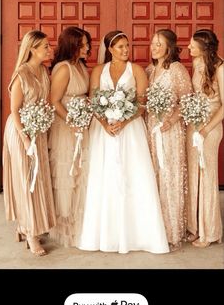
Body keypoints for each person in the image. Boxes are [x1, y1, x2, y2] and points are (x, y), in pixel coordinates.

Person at [78, 30, 169, 254]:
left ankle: (140, 236)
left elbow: (141, 103)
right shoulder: (99, 70)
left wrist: (124, 121)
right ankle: (105, 235)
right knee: (105, 177)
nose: (125, 50)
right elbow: (93, 100)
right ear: (109, 49)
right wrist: (105, 123)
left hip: (130, 131)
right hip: (104, 131)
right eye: (120, 47)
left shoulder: (136, 70)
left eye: (127, 46)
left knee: (134, 175)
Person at [3, 30, 56, 256]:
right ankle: (31, 235)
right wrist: (25, 139)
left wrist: (43, 126)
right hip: (20, 131)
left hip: (38, 130)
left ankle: (24, 226)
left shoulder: (43, 71)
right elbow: (15, 110)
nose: (48, 49)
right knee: (26, 180)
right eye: (44, 46)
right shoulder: (21, 74)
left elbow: (44, 102)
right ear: (32, 49)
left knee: (37, 180)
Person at [146, 29, 192, 251]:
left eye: (159, 44)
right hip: (151, 129)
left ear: (169, 48)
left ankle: (172, 233)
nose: (154, 47)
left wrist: (171, 121)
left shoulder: (177, 69)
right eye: (153, 43)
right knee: (153, 176)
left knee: (169, 177)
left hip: (170, 132)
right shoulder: (149, 70)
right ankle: (155, 228)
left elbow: (186, 101)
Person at [48, 26, 91, 247]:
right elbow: (54, 101)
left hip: (81, 125)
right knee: (68, 173)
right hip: (66, 127)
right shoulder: (64, 69)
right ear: (71, 45)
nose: (87, 48)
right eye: (82, 44)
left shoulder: (81, 66)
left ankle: (80, 223)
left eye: (87, 44)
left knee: (81, 174)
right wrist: (72, 122)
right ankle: (65, 227)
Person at [186, 29, 223, 247]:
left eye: (192, 44)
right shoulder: (197, 64)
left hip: (210, 129)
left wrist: (206, 129)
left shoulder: (220, 67)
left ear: (203, 47)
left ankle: (209, 232)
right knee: (193, 176)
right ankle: (195, 227)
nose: (189, 47)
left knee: (207, 177)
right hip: (194, 125)